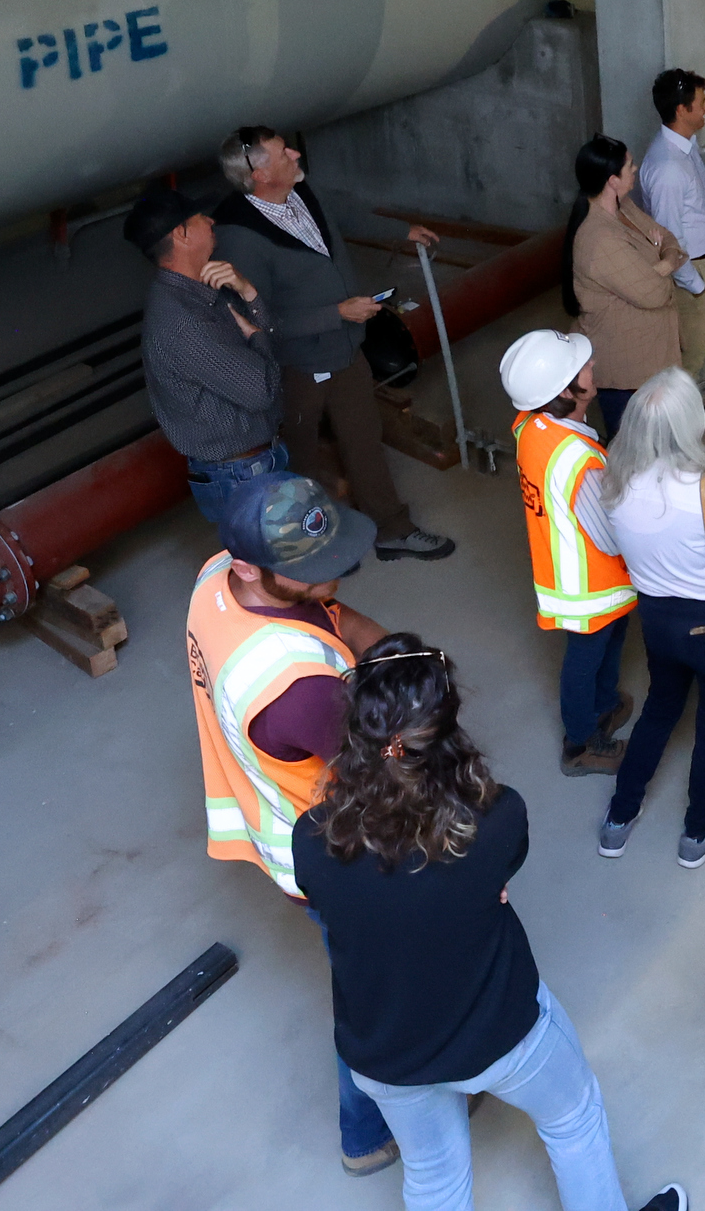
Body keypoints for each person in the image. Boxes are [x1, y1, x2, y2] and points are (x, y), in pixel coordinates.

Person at [294, 631, 691, 1211]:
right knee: (574, 1120)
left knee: (434, 1179)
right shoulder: (496, 821)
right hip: (502, 1035)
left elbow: (347, 896)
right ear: (447, 733)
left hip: (387, 1054)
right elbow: (492, 872)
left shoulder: (312, 838)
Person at [184, 469, 401, 1176]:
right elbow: (390, 775)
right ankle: (366, 1130)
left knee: (369, 981)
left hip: (273, 814)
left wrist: (382, 643)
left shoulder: (218, 578)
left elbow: (333, 620)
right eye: (315, 572)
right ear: (254, 565)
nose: (336, 577)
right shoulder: (298, 690)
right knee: (376, 993)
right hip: (329, 850)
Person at [212, 127, 454, 561]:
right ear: (259, 174)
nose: (295, 152)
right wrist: (336, 314)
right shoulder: (239, 237)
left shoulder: (299, 191)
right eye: (282, 151)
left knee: (364, 439)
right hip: (297, 369)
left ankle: (392, 529)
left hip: (344, 351)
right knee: (300, 460)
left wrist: (401, 230)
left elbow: (340, 212)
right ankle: (305, 551)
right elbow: (256, 321)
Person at [590, 369, 705, 869]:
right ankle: (697, 832)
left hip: (657, 619)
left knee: (660, 707)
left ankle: (618, 821)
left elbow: (607, 544)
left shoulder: (614, 482)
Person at [500, 329, 635, 777]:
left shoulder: (530, 427)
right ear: (566, 389)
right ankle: (581, 743)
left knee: (600, 650)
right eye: (585, 366)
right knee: (586, 661)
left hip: (562, 572)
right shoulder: (580, 459)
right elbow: (611, 537)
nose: (593, 367)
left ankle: (603, 706)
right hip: (591, 584)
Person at [130, 185, 287, 523]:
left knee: (282, 560)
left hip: (255, 460)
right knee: (267, 569)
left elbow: (274, 339)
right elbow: (261, 390)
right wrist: (258, 338)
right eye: (202, 218)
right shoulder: (182, 322)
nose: (212, 220)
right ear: (181, 234)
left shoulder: (203, 287)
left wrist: (248, 291)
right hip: (241, 475)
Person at [564, 135, 685, 438]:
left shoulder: (623, 207)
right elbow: (655, 294)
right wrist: (667, 265)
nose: (636, 169)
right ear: (612, 180)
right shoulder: (600, 239)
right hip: (628, 374)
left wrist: (657, 266)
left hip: (648, 364)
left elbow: (669, 239)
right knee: (635, 453)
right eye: (630, 166)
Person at [637, 68, 705, 401]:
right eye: (701, 103)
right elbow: (670, 237)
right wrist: (695, 284)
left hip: (702, 262)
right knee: (687, 360)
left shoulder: (685, 147)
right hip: (690, 274)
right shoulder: (668, 168)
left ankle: (687, 413)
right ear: (681, 111)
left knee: (694, 353)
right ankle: (675, 427)